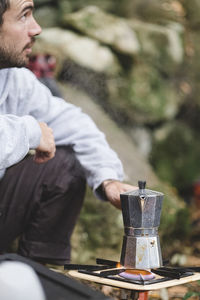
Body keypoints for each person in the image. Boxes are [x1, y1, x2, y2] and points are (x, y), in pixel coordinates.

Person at [0, 0, 137, 265]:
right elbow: (31, 131)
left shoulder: (12, 79)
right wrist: (30, 130)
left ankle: (40, 279)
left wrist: (108, 178)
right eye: (24, 15)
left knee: (65, 165)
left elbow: (71, 122)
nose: (36, 28)